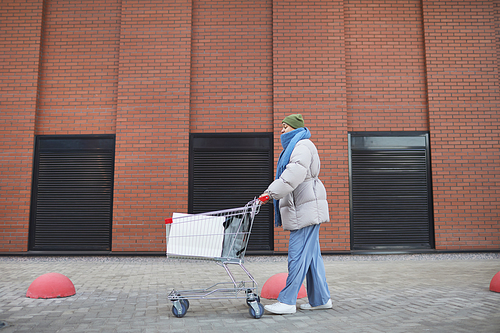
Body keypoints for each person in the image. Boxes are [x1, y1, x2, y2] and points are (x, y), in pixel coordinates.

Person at [259, 114, 332, 315]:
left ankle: (287, 301)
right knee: (312, 258)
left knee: (297, 255)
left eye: (285, 127)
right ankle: (321, 299)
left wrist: (269, 194)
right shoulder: (299, 145)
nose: (282, 131)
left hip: (305, 208)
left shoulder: (301, 146)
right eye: (281, 127)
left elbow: (293, 174)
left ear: (296, 128)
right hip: (306, 206)